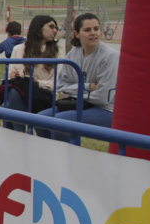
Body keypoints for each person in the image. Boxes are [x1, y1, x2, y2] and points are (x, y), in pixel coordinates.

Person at [37, 13, 118, 142]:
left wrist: (73, 92)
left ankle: (68, 159)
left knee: (60, 121)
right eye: (87, 30)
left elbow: (102, 98)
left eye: (96, 29)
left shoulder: (110, 57)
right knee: (40, 119)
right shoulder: (73, 54)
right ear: (77, 33)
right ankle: (52, 156)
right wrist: (88, 87)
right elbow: (60, 86)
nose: (93, 33)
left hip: (106, 110)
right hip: (80, 104)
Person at [0, 15, 61, 130]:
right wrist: (26, 78)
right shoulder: (19, 49)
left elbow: (56, 84)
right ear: (38, 28)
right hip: (23, 95)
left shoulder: (57, 52)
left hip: (44, 97)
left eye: (56, 28)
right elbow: (11, 77)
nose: (55, 30)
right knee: (12, 96)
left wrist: (36, 82)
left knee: (13, 97)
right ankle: (18, 136)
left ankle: (17, 137)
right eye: (51, 27)